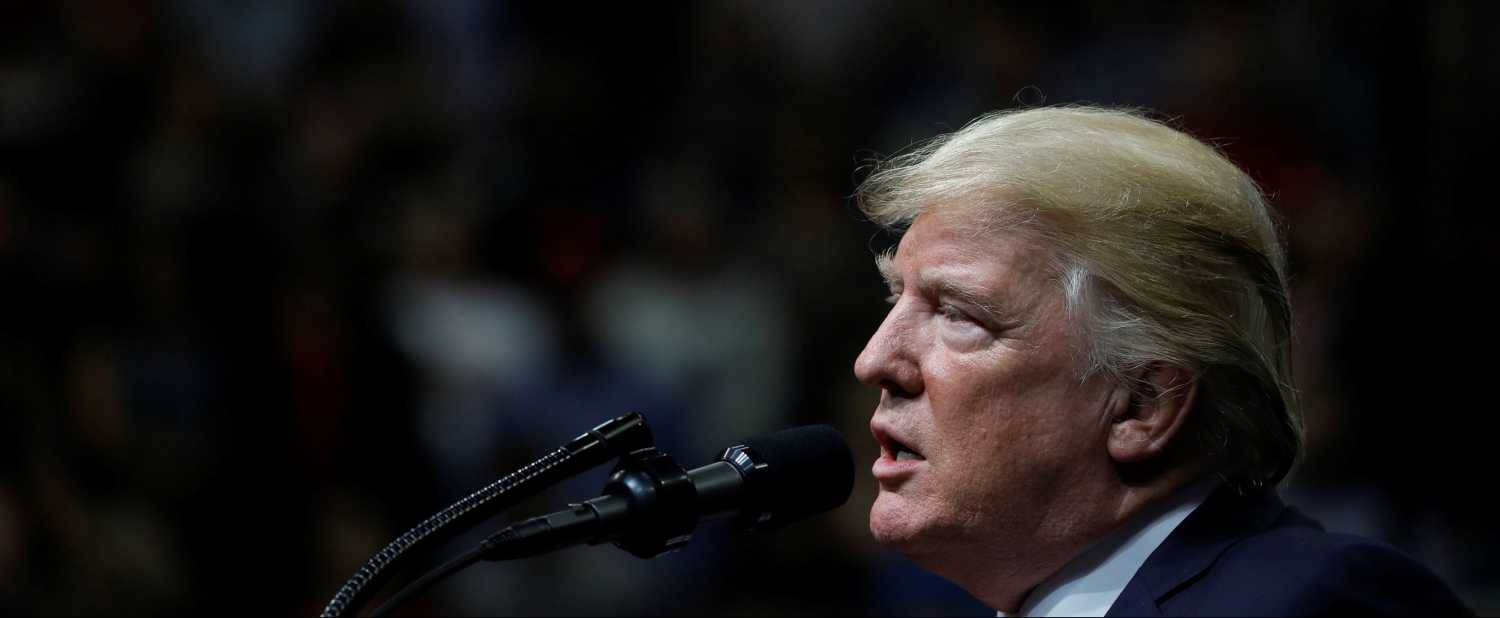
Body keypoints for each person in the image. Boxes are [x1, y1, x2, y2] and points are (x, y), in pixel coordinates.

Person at [851, 106, 1471, 616]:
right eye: (895, 298)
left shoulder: (1310, 602)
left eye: (959, 314)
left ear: (1143, 406)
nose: (874, 360)